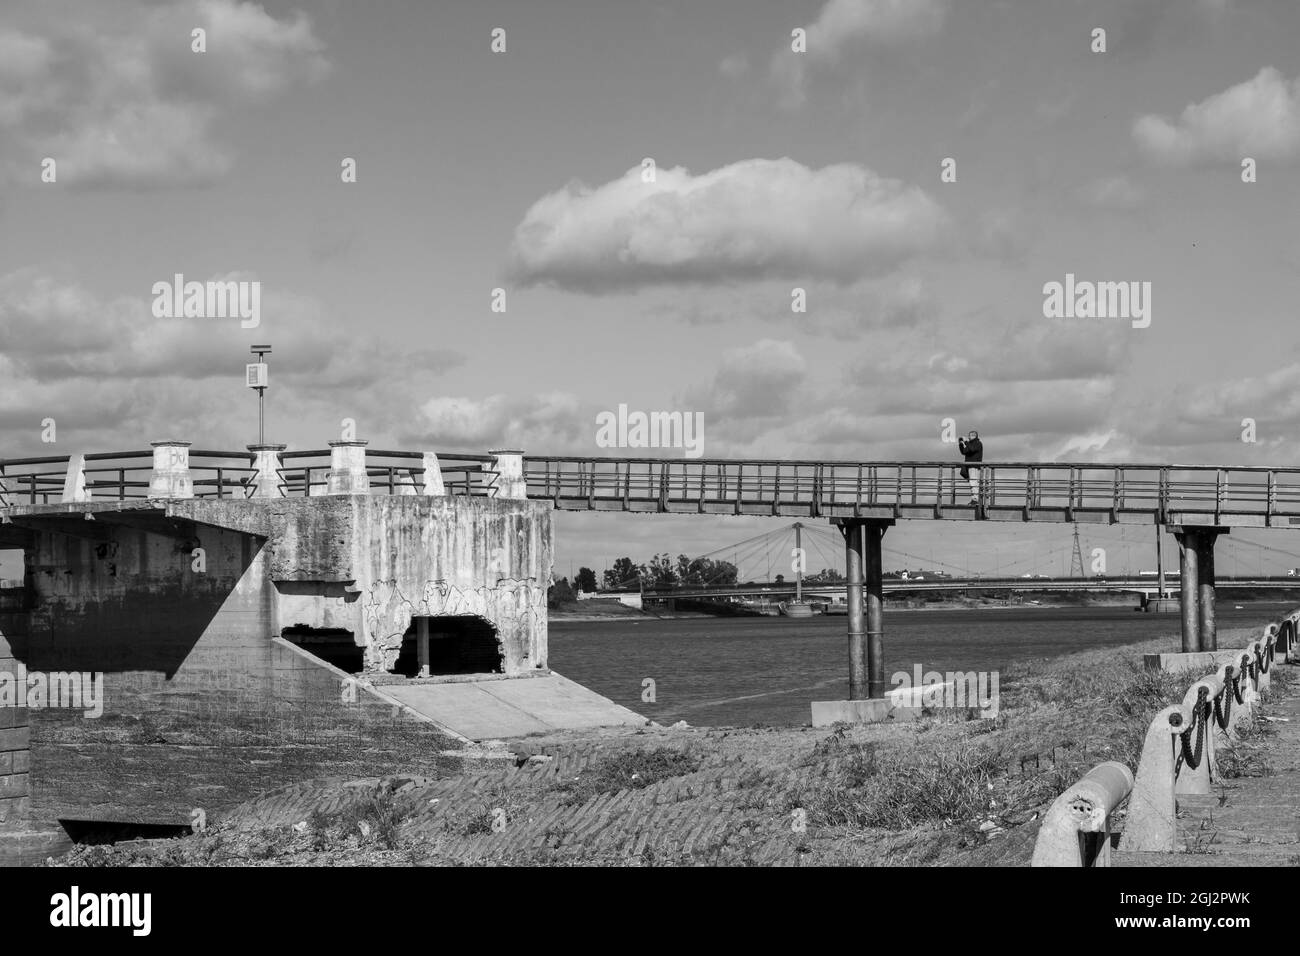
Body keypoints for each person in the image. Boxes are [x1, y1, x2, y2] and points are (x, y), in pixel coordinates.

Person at [958, 430, 983, 505]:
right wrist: (961, 444)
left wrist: (966, 442)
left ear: (974, 436)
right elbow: (964, 452)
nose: (968, 437)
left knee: (974, 482)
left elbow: (972, 449)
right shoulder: (970, 444)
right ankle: (975, 499)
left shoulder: (978, 443)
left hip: (974, 466)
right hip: (970, 466)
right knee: (973, 482)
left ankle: (975, 499)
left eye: (969, 436)